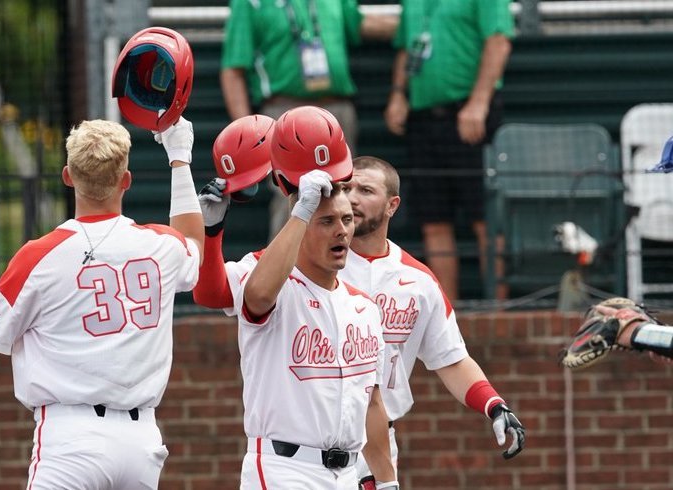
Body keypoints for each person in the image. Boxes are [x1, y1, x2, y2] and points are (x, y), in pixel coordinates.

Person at [0, 118, 204, 489]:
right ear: (125, 180)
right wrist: (179, 156)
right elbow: (195, 242)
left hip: (70, 440)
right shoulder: (160, 246)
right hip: (141, 441)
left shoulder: (38, 255)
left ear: (68, 176)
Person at [338, 156, 524, 484]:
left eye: (366, 190)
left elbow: (451, 359)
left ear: (392, 205)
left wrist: (494, 405)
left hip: (378, 444)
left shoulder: (418, 279)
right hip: (308, 440)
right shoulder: (312, 266)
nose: (352, 197)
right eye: (346, 188)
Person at [237, 170, 396, 488]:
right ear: (300, 227)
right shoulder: (279, 289)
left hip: (348, 473)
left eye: (347, 220)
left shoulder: (365, 308)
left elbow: (372, 403)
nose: (342, 231)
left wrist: (387, 480)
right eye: (326, 221)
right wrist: (300, 212)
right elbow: (256, 296)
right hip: (286, 469)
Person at [220, 0, 397, 238]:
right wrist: (247, 137)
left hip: (336, 109)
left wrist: (414, 27)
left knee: (344, 193)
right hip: (284, 111)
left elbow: (358, 23)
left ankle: (345, 270)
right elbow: (233, 69)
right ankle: (283, 273)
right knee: (291, 196)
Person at [384, 0, 514, 301]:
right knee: (433, 221)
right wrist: (398, 95)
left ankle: (498, 312)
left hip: (469, 115)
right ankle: (446, 318)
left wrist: (479, 102)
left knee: (486, 219)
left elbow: (498, 42)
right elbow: (406, 47)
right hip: (423, 118)